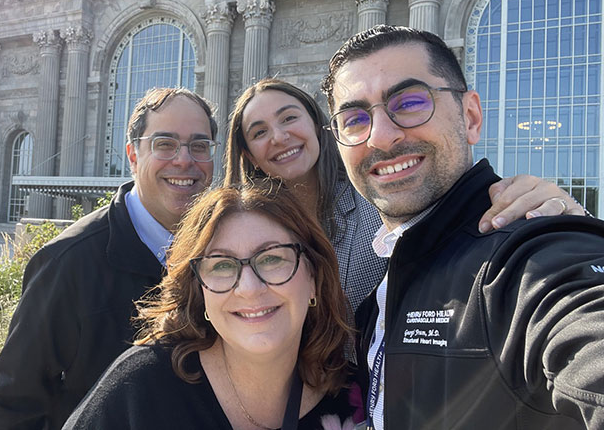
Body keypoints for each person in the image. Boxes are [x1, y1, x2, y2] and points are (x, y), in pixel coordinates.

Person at [323, 24, 604, 429]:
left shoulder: (526, 256)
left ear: (470, 116)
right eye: (353, 119)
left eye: (410, 101)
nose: (380, 138)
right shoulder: (384, 291)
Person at [224, 78, 585, 311]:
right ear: (246, 153)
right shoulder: (243, 229)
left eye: (289, 119)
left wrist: (558, 213)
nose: (279, 136)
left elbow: (458, 219)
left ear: (320, 127)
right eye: (259, 132)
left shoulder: (381, 201)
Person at [0, 88, 218, 430]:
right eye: (164, 143)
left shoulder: (225, 253)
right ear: (133, 155)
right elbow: (12, 407)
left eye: (199, 145)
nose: (184, 160)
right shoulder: (66, 264)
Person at [65, 181, 365, 430]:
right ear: (201, 293)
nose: (249, 288)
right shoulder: (141, 390)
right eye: (221, 266)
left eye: (272, 258)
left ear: (313, 277)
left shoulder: (357, 399)